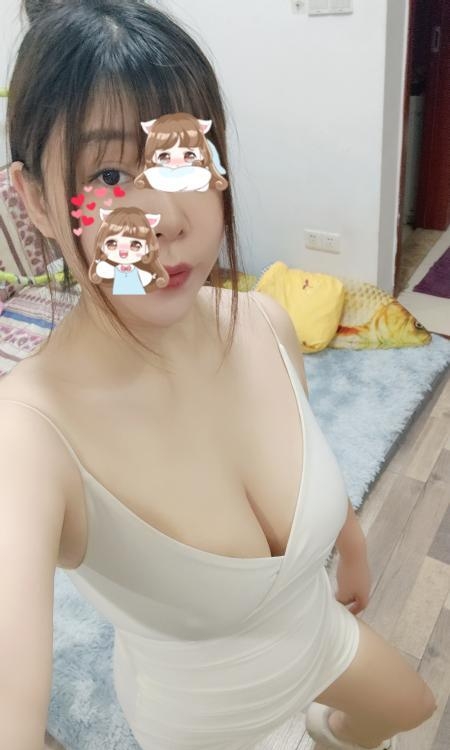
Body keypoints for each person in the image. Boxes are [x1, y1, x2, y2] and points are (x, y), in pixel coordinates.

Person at [0, 2, 437, 750]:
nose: (169, 218)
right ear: (36, 200)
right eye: (110, 174)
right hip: (208, 717)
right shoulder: (28, 436)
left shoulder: (265, 323)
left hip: (317, 633)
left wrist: (353, 543)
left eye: (184, 161)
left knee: (410, 707)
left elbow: (311, 453)